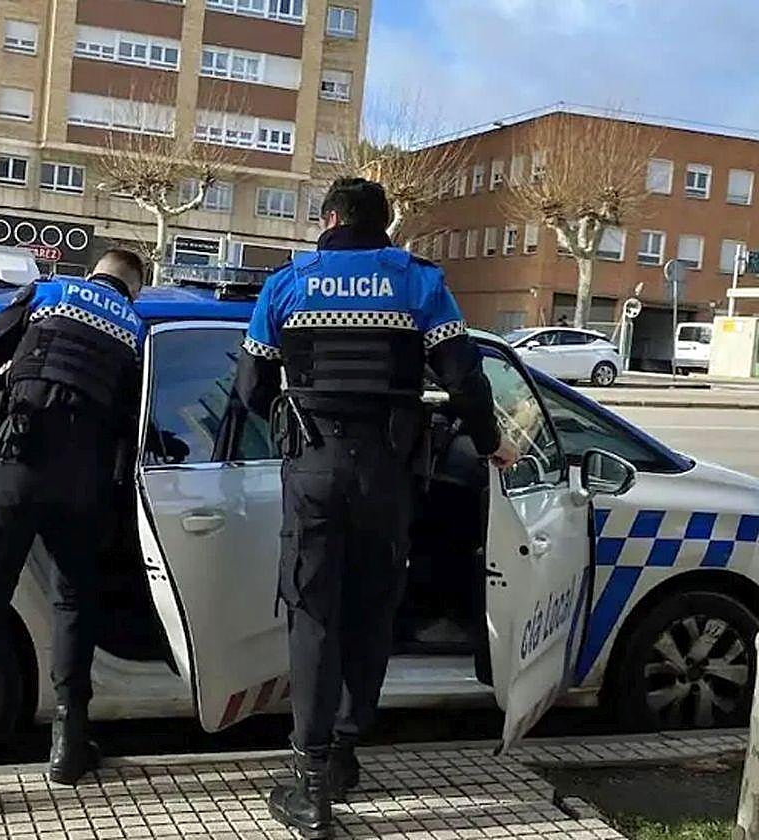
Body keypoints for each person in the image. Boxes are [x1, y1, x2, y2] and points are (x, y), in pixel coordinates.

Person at [235, 177, 518, 838]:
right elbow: (465, 378)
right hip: (388, 475)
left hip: (312, 470)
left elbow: (249, 385)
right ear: (386, 224)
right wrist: (490, 444)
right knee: (369, 612)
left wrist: (287, 421)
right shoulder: (418, 282)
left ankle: (308, 785)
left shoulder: (288, 283)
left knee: (312, 617)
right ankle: (343, 753)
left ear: (330, 218)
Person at [0, 249, 149, 815]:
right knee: (74, 604)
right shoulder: (133, 327)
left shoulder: (44, 294)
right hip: (85, 481)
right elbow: (131, 418)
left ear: (95, 272)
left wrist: (11, 382)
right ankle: (68, 747)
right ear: (133, 289)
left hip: (18, 462)